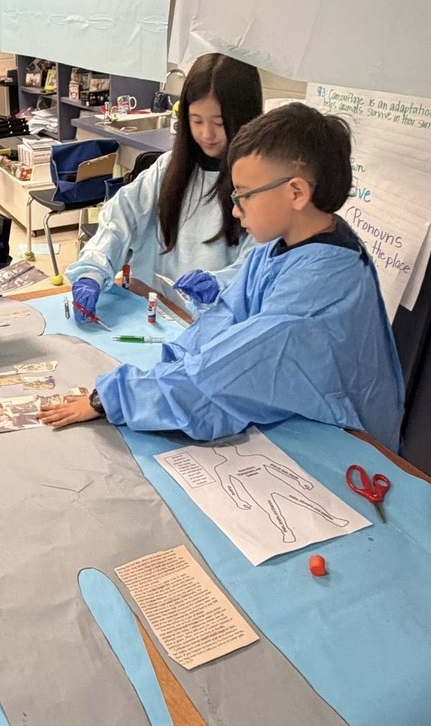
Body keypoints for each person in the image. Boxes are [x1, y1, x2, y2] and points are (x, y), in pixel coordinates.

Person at [39, 102, 406, 452]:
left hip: (344, 441)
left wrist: (113, 398)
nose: (233, 208)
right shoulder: (282, 246)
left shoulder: (320, 286)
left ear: (296, 192)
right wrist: (169, 365)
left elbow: (226, 373)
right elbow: (223, 322)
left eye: (244, 195)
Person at [67, 53, 263, 321]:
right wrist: (92, 270)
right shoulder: (168, 168)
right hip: (150, 306)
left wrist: (220, 284)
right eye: (196, 120)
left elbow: (258, 262)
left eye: (219, 123)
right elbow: (120, 219)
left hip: (210, 324)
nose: (206, 134)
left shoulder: (259, 186)